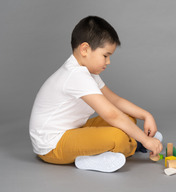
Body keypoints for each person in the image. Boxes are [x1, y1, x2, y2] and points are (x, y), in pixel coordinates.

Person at [29, 16, 163, 172]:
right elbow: (111, 115)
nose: (108, 62)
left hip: (74, 130)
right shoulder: (75, 75)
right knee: (117, 137)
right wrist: (145, 139)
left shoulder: (87, 72)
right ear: (85, 49)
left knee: (128, 118)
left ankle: (122, 146)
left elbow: (115, 101)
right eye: (105, 56)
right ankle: (133, 146)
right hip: (52, 146)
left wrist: (146, 115)